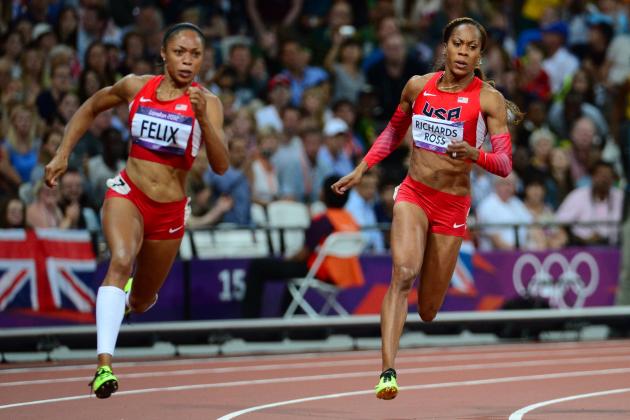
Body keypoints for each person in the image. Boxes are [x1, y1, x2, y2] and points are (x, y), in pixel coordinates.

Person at [332, 17, 521, 400]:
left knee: (430, 309)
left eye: (471, 47)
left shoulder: (489, 100)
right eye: (457, 44)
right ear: (445, 47)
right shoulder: (418, 86)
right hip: (414, 194)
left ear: (479, 55)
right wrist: (362, 167)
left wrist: (474, 154)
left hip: (452, 205)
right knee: (403, 274)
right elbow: (393, 131)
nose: (463, 52)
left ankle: (421, 307)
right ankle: (387, 371)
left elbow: (504, 164)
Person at [44, 23, 229, 399]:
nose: (187, 61)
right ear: (163, 53)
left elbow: (221, 165)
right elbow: (90, 107)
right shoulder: (135, 86)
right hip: (128, 194)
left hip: (170, 211)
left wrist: (204, 120)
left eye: (195, 55)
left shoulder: (208, 103)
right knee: (121, 259)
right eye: (179, 52)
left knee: (143, 301)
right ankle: (103, 367)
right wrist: (63, 153)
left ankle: (127, 301)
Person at [241, 175, 362, 319]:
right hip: (344, 275)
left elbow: (303, 254)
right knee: (296, 271)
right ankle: (290, 316)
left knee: (258, 266)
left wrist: (287, 259)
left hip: (322, 273)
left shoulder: (322, 220)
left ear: (324, 193)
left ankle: (250, 321)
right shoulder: (351, 220)